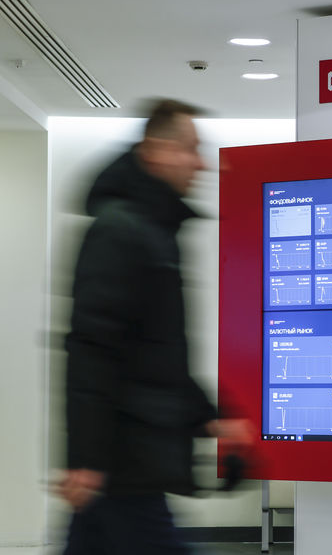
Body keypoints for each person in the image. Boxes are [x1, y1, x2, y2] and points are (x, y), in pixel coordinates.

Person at [60, 99, 251, 554]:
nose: (201, 163)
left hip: (129, 456)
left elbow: (157, 353)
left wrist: (211, 415)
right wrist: (85, 460)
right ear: (157, 150)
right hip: (124, 458)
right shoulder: (120, 231)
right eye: (191, 149)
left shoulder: (151, 233)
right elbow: (92, 347)